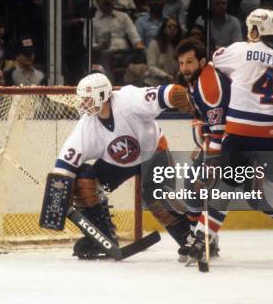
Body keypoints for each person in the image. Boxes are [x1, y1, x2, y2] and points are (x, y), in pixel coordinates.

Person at [194, 8, 273, 267]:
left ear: (253, 29)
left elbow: (215, 61)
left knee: (226, 188)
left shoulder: (240, 49)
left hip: (243, 133)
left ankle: (202, 238)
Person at [48, 72, 195, 259]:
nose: (82, 104)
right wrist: (60, 191)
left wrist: (184, 95)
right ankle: (102, 238)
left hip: (153, 153)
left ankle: (192, 239)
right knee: (82, 178)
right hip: (117, 164)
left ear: (102, 96)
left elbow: (164, 94)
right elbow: (65, 165)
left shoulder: (129, 99)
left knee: (155, 198)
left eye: (87, 98)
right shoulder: (87, 125)